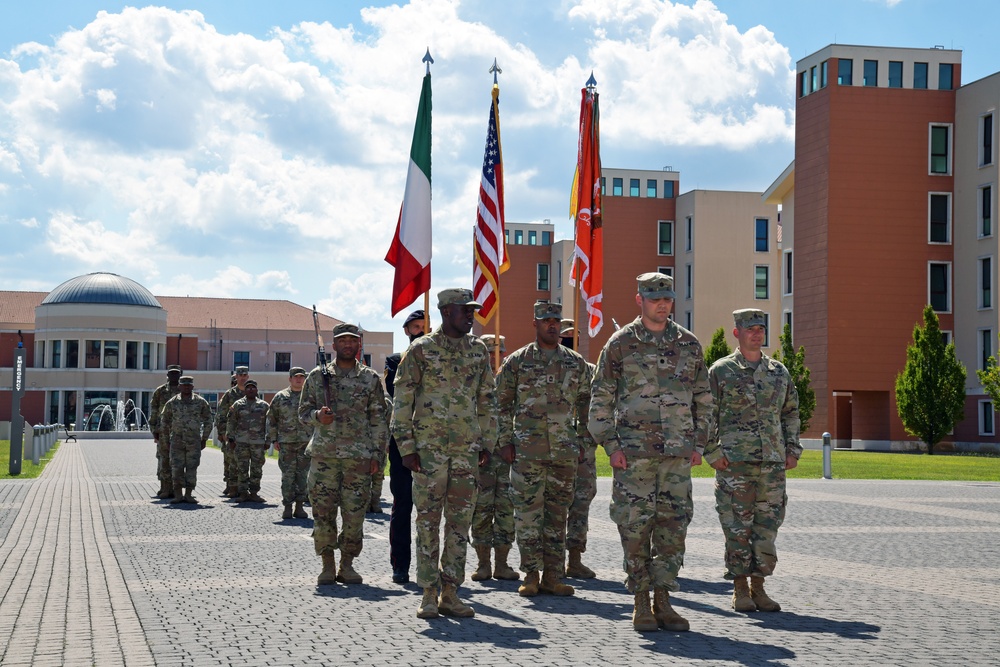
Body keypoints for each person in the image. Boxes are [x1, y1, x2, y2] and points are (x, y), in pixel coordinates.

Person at [589, 272, 712, 633]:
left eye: (668, 298)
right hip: (634, 455)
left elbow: (704, 399)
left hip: (676, 455)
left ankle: (664, 598)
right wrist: (611, 445)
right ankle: (640, 599)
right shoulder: (620, 344)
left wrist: (699, 442)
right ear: (639, 298)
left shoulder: (688, 344)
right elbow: (600, 398)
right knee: (634, 526)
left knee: (673, 528)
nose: (663, 304)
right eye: (655, 297)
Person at [392, 288, 496, 619]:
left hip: (466, 452)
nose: (471, 315)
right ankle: (427, 592)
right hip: (428, 454)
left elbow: (487, 399)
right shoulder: (421, 350)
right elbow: (402, 400)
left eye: (472, 310)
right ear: (446, 311)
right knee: (427, 520)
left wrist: (488, 443)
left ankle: (451, 592)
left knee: (459, 523)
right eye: (466, 310)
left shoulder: (478, 351)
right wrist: (406, 448)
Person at [706, 309, 801, 613]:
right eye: (750, 329)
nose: (757, 334)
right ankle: (739, 589)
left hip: (771, 464)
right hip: (734, 464)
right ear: (737, 333)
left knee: (767, 526)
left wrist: (791, 449)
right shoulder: (721, 371)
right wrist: (712, 451)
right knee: (736, 527)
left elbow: (790, 412)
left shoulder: (778, 372)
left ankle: (759, 587)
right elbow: (706, 414)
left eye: (761, 328)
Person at [497, 301, 592, 597]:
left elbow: (588, 404)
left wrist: (582, 442)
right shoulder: (517, 361)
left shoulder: (575, 363)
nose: (552, 325)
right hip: (527, 452)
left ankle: (553, 575)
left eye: (556, 320)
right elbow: (500, 405)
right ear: (535, 323)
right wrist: (505, 441)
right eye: (546, 320)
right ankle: (530, 574)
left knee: (557, 516)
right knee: (527, 515)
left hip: (564, 453)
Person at [299, 323, 387, 586]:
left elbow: (378, 420)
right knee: (323, 512)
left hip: (358, 458)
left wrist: (377, 457)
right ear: (334, 345)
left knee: (354, 514)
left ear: (359, 345)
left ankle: (347, 564)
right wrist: (317, 416)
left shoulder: (370, 379)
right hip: (324, 457)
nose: (347, 344)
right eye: (342, 341)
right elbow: (303, 413)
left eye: (352, 340)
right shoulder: (317, 376)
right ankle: (327, 564)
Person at [469, 333, 519, 582]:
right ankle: (482, 563)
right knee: (480, 509)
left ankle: (502, 563)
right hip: (482, 456)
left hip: (506, 457)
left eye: (497, 353)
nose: (492, 358)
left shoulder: (510, 381)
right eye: (487, 353)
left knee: (506, 511)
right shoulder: (472, 381)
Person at [383, 308, 426, 584]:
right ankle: (401, 565)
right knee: (403, 505)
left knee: (432, 509)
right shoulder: (396, 359)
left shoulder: (443, 359)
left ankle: (430, 568)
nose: (420, 331)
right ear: (406, 331)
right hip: (403, 439)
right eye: (415, 327)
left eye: (425, 326)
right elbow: (394, 391)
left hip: (434, 439)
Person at [266, 367, 312, 520]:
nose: (299, 379)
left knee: (303, 476)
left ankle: (299, 507)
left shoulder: (310, 397)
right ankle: (287, 506)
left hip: (305, 442)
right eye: (296, 377)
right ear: (290, 379)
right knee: (288, 476)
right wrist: (274, 439)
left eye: (301, 377)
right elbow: (271, 419)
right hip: (286, 442)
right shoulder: (280, 397)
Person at [159, 375, 212, 504]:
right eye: (184, 385)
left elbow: (208, 420)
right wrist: (165, 440)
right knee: (176, 468)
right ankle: (177, 495)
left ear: (193, 386)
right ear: (179, 386)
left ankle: (188, 494)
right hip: (176, 441)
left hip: (193, 441)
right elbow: (164, 421)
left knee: (191, 468)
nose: (187, 387)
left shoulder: (200, 402)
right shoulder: (172, 402)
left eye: (189, 385)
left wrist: (204, 438)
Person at [226, 379, 270, 503]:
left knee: (257, 468)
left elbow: (270, 423)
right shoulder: (238, 405)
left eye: (253, 388)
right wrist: (230, 438)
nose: (250, 389)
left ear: (257, 390)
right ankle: (243, 493)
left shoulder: (264, 405)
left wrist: (268, 440)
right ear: (245, 390)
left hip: (258, 443)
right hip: (241, 442)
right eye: (248, 388)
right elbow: (231, 422)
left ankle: (254, 493)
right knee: (242, 468)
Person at [149, 365, 182, 499]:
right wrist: (154, 430)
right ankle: (164, 488)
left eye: (176, 374)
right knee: (164, 459)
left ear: (180, 375)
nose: (174, 376)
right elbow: (154, 410)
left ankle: (176, 489)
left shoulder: (184, 390)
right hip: (163, 431)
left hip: (180, 431)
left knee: (178, 461)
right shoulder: (160, 391)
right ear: (167, 375)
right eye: (171, 373)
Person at [216, 366, 249, 497]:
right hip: (232, 434)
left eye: (245, 375)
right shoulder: (229, 394)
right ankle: (231, 485)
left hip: (248, 434)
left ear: (248, 376)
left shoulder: (251, 391)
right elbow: (221, 414)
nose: (242, 377)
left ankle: (243, 488)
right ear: (236, 377)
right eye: (240, 375)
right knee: (230, 460)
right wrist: (222, 432)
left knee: (245, 462)